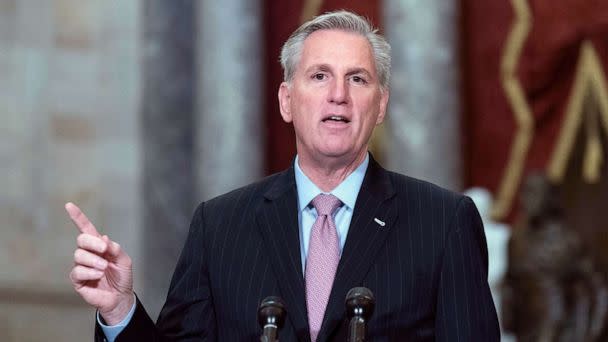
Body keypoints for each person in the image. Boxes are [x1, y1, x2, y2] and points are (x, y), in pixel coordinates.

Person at [68, 10, 500, 341]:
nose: (338, 95)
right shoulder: (218, 227)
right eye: (319, 76)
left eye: (357, 78)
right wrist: (120, 309)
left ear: (381, 104)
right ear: (287, 101)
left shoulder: (444, 223)